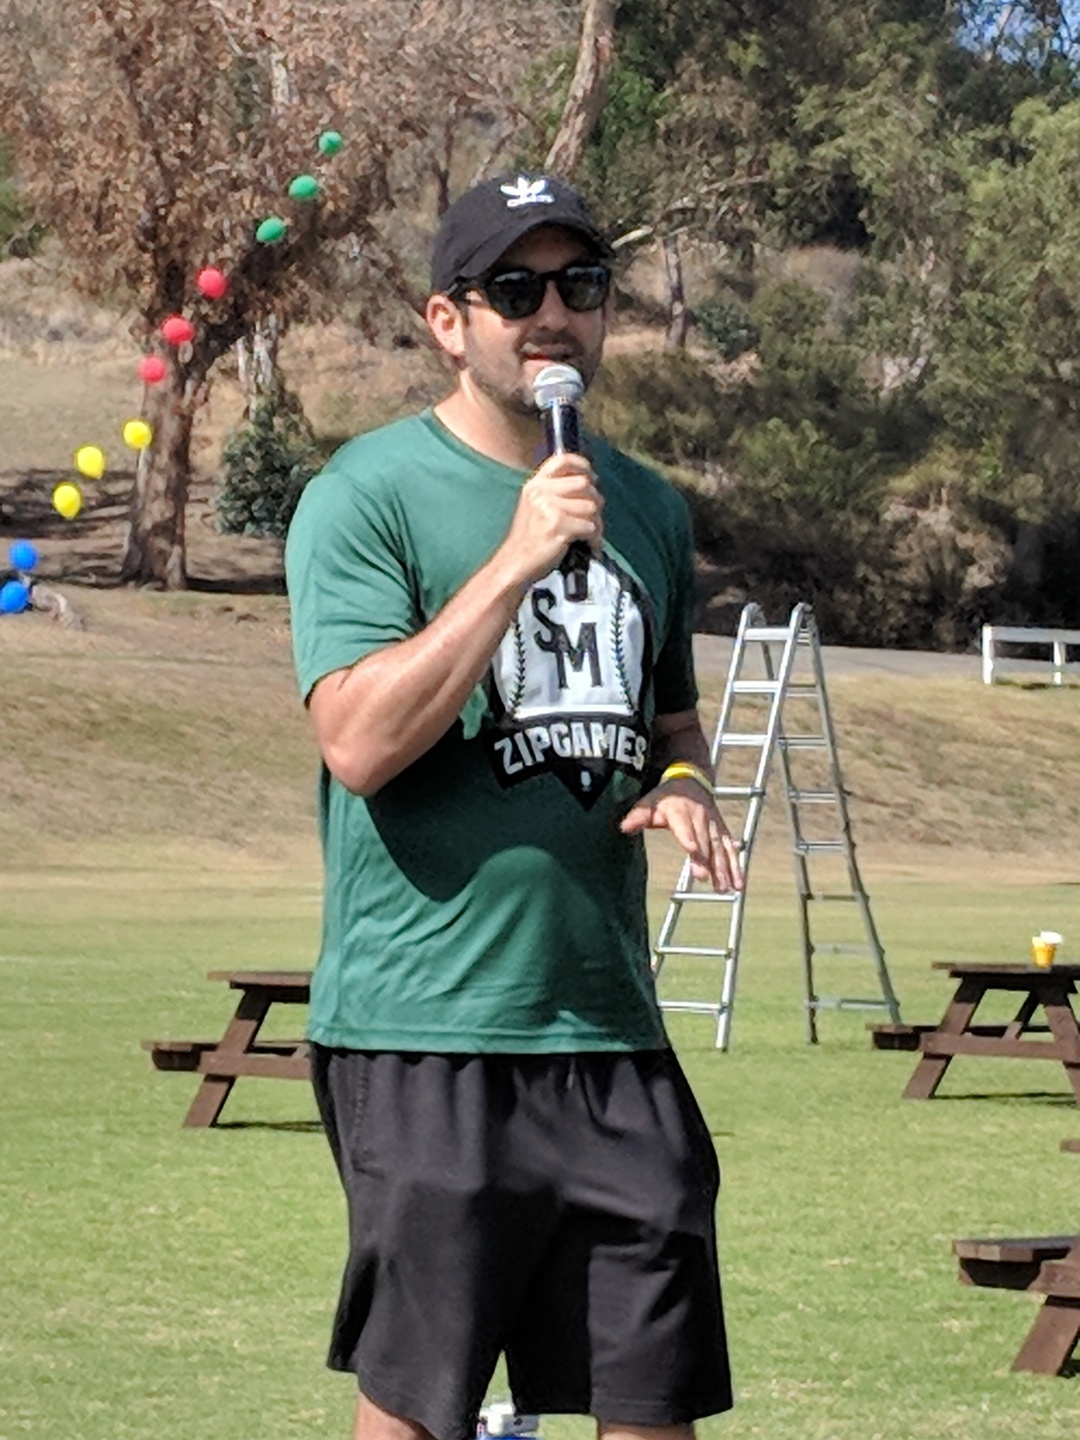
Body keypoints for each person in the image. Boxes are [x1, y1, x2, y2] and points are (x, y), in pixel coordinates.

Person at [285, 170, 741, 1440]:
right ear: (449, 321)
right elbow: (360, 742)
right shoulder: (366, 495)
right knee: (421, 1411)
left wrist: (690, 789)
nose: (554, 316)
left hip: (609, 1031)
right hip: (428, 1027)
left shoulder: (645, 505)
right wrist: (515, 557)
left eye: (581, 288)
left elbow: (670, 724)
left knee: (650, 1403)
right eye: (516, 289)